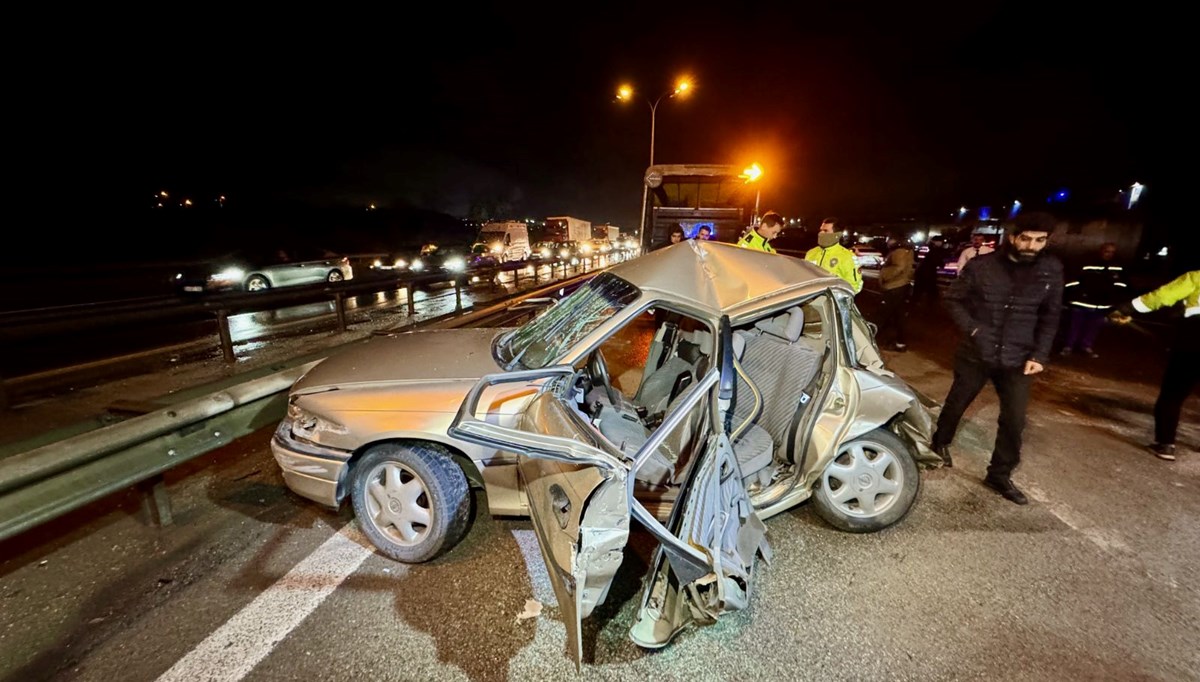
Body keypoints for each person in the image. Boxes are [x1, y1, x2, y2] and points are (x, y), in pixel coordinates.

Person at [931, 212, 1064, 505]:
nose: (1031, 245)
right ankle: (938, 444)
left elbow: (1051, 315)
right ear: (1013, 237)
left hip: (1019, 357)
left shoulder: (1050, 270)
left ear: (1047, 242)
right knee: (957, 403)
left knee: (1015, 421)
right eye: (1026, 238)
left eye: (1040, 240)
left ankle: (1000, 475)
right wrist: (974, 328)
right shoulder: (983, 266)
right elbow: (953, 299)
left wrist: (1040, 354)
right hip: (976, 353)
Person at [1110, 270, 1199, 461]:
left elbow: (1163, 296)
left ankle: (1166, 444)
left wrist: (1128, 307)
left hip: (1194, 339)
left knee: (1173, 394)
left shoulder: (1196, 277)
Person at [1060, 242, 1126, 358]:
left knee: (1093, 328)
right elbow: (1072, 281)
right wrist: (1076, 295)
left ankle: (1086, 346)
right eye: (1107, 251)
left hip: (1101, 305)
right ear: (1101, 251)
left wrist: (1113, 299)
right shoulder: (1086, 264)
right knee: (1073, 326)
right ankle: (1068, 346)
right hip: (1081, 303)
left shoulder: (1117, 267)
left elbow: (1120, 285)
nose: (1109, 254)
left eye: (1112, 252)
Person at [875, 236, 915, 351]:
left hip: (894, 287)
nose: (887, 242)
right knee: (897, 316)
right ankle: (900, 343)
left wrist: (884, 275)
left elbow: (899, 267)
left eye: (889, 239)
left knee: (882, 315)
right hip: (901, 286)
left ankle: (869, 340)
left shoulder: (899, 252)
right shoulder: (907, 251)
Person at [804, 217, 863, 293]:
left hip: (832, 301)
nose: (821, 233)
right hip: (809, 300)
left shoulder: (847, 257)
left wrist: (837, 298)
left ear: (837, 235)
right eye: (821, 230)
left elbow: (855, 286)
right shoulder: (811, 253)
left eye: (825, 231)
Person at [912, 235, 950, 306]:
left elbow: (917, 258)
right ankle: (927, 307)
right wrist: (942, 264)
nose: (941, 243)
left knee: (919, 291)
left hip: (921, 272)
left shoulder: (925, 248)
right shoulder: (933, 249)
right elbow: (936, 260)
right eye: (940, 242)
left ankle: (916, 305)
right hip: (928, 272)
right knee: (930, 291)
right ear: (935, 242)